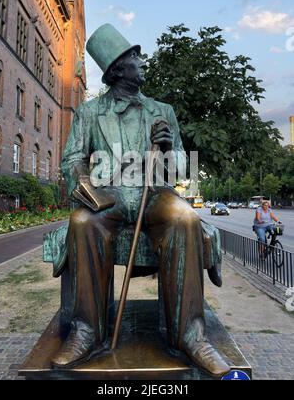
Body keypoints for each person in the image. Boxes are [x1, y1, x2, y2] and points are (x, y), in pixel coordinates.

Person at [51, 24, 230, 377]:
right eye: (136, 58)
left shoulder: (163, 110)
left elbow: (181, 167)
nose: (143, 62)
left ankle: (190, 337)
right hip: (110, 194)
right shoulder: (88, 113)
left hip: (155, 195)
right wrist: (86, 187)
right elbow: (72, 158)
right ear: (118, 69)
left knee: (184, 218)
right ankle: (88, 332)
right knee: (83, 221)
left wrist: (166, 150)